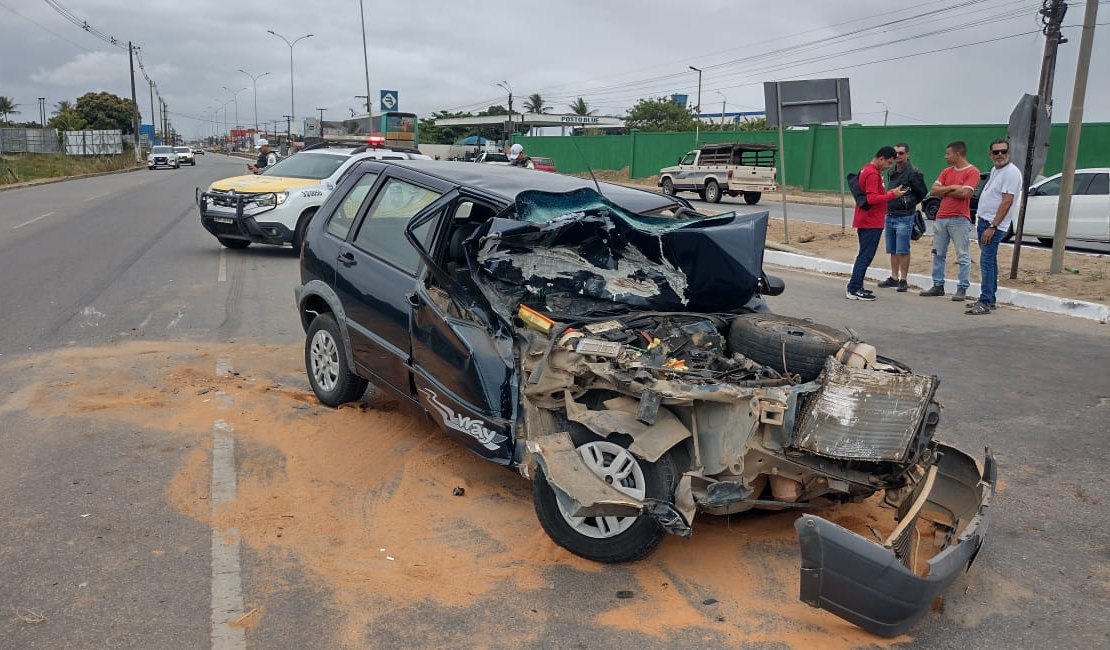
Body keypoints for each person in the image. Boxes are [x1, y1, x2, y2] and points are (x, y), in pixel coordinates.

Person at [967, 139, 1022, 315]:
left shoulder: (1011, 173)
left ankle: (985, 301)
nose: (1000, 155)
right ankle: (989, 299)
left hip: (993, 225)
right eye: (996, 152)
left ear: (1009, 153)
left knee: (987, 262)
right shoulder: (996, 170)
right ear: (990, 154)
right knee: (990, 261)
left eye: (1003, 151)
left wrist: (993, 226)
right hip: (985, 221)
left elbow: (1007, 202)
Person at [846, 146, 908, 301]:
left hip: (870, 220)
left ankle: (856, 286)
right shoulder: (872, 173)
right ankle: (853, 288)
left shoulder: (868, 170)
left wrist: (889, 194)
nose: (889, 167)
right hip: (870, 221)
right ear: (881, 158)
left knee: (865, 255)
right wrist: (891, 195)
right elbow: (872, 199)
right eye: (888, 163)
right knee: (865, 256)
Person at [920, 141, 979, 300]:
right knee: (938, 253)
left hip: (960, 219)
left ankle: (962, 287)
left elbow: (965, 193)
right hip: (941, 217)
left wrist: (945, 190)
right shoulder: (946, 171)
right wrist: (952, 188)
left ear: (957, 154)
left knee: (962, 254)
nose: (946, 157)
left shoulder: (972, 172)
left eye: (948, 154)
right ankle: (938, 284)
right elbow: (934, 190)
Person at [876, 143, 928, 292]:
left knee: (903, 249)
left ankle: (903, 279)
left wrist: (909, 203)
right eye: (895, 153)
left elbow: (922, 192)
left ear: (907, 154)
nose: (897, 156)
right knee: (892, 249)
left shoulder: (914, 172)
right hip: (890, 214)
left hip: (905, 216)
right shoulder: (891, 170)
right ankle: (894, 277)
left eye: (901, 153)